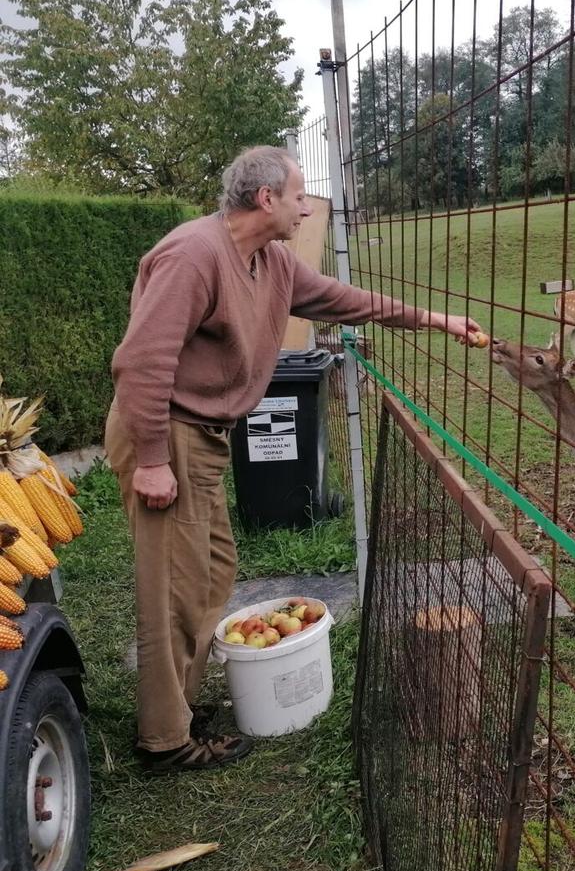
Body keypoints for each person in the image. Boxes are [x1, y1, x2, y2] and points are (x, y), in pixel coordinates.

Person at [105, 145, 479, 773]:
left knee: (211, 571)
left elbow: (341, 299)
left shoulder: (270, 260)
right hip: (165, 431)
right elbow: (141, 361)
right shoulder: (193, 255)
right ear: (265, 199)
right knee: (175, 585)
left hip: (201, 437)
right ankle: (164, 740)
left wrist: (432, 319)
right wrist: (149, 459)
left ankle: (181, 706)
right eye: (299, 196)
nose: (306, 208)